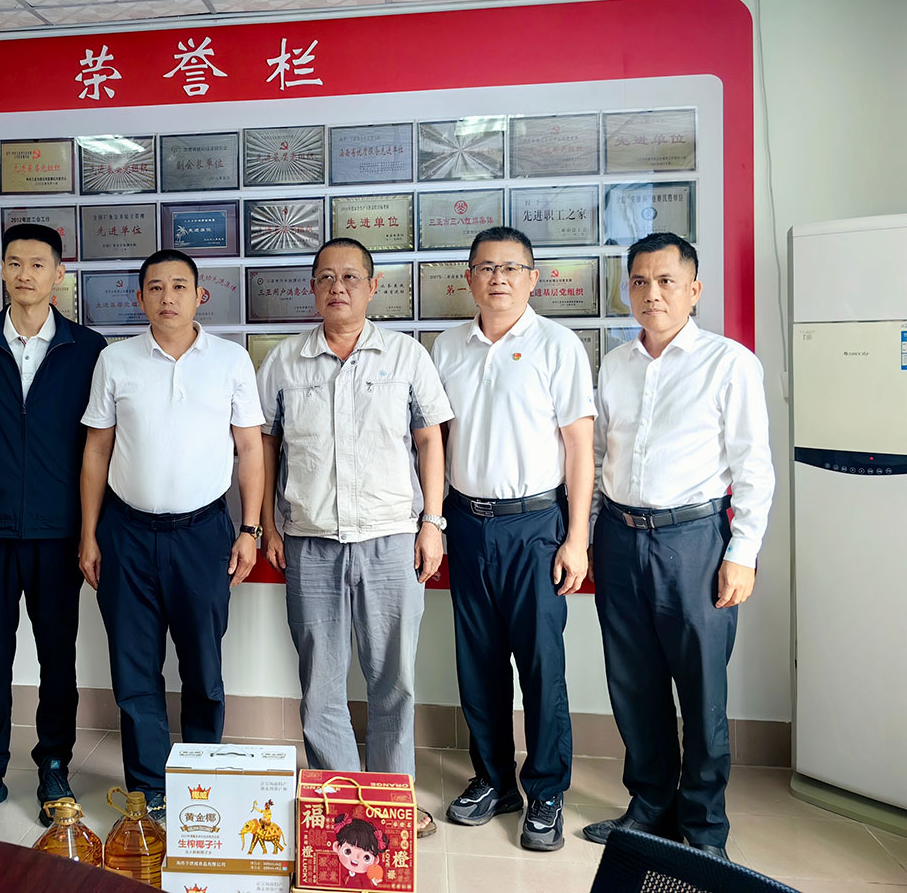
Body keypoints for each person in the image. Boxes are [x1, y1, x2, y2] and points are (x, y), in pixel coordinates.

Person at [582, 233, 773, 858]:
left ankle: (704, 830)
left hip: (694, 543)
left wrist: (741, 553)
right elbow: (600, 455)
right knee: (633, 683)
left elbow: (754, 467)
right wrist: (589, 534)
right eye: (639, 281)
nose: (652, 293)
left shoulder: (729, 363)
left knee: (701, 689)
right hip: (619, 537)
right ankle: (649, 810)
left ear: (694, 290)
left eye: (666, 281)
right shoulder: (615, 364)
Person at [257, 237, 452, 837]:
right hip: (311, 541)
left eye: (349, 277)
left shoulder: (406, 356)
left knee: (393, 681)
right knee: (320, 686)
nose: (337, 287)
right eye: (325, 277)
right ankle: (343, 807)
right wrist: (267, 524)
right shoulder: (284, 362)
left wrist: (433, 522)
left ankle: (391, 803)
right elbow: (265, 445)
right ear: (313, 288)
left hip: (391, 539)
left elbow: (429, 440)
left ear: (372, 285)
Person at [79, 249, 265, 825]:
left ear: (199, 295)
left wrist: (250, 529)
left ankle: (201, 779)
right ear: (139, 298)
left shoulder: (231, 360)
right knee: (134, 668)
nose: (167, 297)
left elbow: (250, 448)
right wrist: (89, 535)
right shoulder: (115, 360)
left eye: (179, 286)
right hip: (126, 533)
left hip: (203, 534)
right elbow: (96, 451)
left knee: (203, 665)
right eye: (155, 287)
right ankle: (150, 790)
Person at [0, 223, 106, 830]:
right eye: (14, 262)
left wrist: (91, 530)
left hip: (59, 532)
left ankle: (54, 764)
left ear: (59, 274)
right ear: (2, 270)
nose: (24, 274)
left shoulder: (88, 349)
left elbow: (99, 448)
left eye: (37, 264)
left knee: (58, 657)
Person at [431, 226, 595, 852]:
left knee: (541, 664)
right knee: (477, 663)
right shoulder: (447, 346)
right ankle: (494, 780)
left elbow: (580, 447)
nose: (498, 278)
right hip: (468, 523)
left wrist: (576, 538)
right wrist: (435, 521)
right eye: (486, 267)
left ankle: (546, 790)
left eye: (511, 268)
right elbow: (436, 442)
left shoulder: (558, 345)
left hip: (536, 526)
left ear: (533, 278)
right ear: (469, 278)